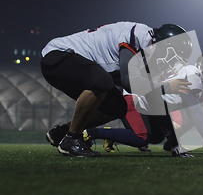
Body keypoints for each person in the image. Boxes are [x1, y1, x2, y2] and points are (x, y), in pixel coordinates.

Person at [42, 22, 191, 157]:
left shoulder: (149, 53)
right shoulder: (139, 37)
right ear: (164, 46)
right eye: (174, 57)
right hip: (58, 55)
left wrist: (174, 141)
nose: (174, 63)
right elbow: (128, 82)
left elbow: (153, 98)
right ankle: (72, 139)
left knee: (117, 107)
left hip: (72, 63)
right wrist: (166, 86)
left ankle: (62, 133)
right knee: (103, 82)